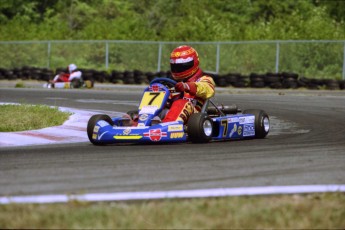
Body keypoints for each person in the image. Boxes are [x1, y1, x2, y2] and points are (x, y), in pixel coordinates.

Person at [161, 45, 216, 124]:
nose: (178, 69)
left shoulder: (203, 79)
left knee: (181, 103)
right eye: (175, 66)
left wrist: (187, 86)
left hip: (194, 117)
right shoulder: (171, 82)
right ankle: (140, 124)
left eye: (182, 66)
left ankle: (167, 126)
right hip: (171, 112)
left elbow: (208, 90)